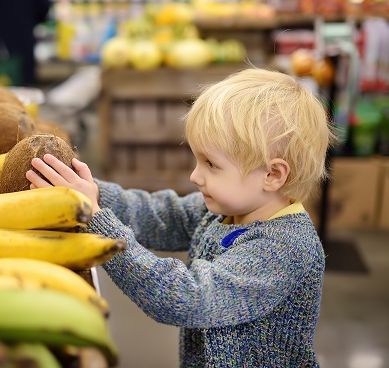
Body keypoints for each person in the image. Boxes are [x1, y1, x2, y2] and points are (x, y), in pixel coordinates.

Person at [26, 67, 338, 367]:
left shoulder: (282, 249)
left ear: (272, 174)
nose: (194, 176)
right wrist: (91, 190)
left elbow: (185, 297)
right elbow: (155, 214)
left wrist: (96, 220)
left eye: (210, 165)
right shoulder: (225, 212)